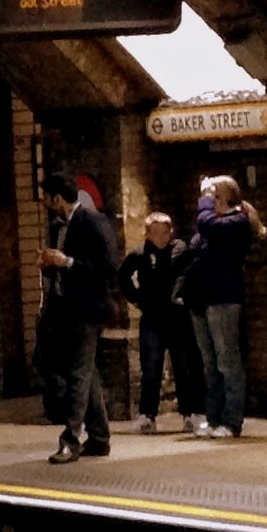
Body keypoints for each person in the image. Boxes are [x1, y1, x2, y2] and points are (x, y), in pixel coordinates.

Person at [36, 175, 118, 463]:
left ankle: (70, 438)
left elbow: (109, 265)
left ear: (58, 198)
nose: (45, 203)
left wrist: (67, 262)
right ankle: (99, 437)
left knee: (78, 375)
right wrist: (49, 265)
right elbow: (62, 268)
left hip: (88, 310)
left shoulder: (92, 221)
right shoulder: (59, 227)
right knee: (86, 373)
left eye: (47, 198)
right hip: (66, 310)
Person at [183, 175, 265, 438]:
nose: (211, 201)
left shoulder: (236, 222)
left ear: (228, 197)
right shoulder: (212, 224)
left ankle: (231, 421)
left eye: (216, 196)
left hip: (224, 299)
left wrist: (204, 200)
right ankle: (214, 417)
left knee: (227, 361)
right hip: (202, 300)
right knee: (210, 364)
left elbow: (206, 224)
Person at [120, 209, 204, 435]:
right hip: (153, 318)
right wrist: (138, 299)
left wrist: (184, 296)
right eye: (156, 233)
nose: (161, 238)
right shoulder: (139, 255)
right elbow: (122, 277)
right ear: (147, 233)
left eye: (165, 233)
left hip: (177, 318)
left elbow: (190, 273)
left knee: (184, 366)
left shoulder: (180, 250)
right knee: (151, 367)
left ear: (171, 232)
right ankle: (148, 415)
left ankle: (191, 413)